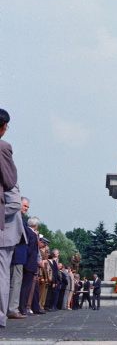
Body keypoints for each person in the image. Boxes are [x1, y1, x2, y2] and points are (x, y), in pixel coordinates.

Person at [0, 108, 21, 328]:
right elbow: (10, 181)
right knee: (2, 275)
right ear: (3, 127)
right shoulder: (3, 148)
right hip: (3, 229)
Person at [7, 197, 30, 319]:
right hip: (17, 253)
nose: (26, 208)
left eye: (27, 207)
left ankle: (10, 308)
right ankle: (12, 309)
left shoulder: (21, 218)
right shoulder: (17, 217)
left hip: (18, 254)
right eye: (25, 206)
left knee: (13, 282)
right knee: (15, 282)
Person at [19, 216, 40, 315]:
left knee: (26, 287)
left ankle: (22, 306)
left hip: (28, 263)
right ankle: (22, 307)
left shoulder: (29, 232)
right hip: (29, 263)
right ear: (35, 225)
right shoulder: (31, 234)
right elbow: (30, 250)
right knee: (25, 287)